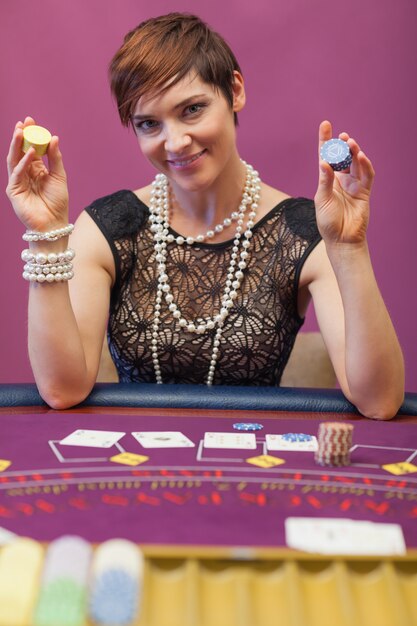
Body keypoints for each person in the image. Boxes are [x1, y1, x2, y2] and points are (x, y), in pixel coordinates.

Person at [6, 12, 404, 417]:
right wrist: (48, 234)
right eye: (149, 124)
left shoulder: (305, 231)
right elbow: (62, 390)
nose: (175, 142)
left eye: (193, 109)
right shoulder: (110, 227)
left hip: (256, 464)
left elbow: (380, 401)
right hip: (133, 463)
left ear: (234, 91)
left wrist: (349, 246)